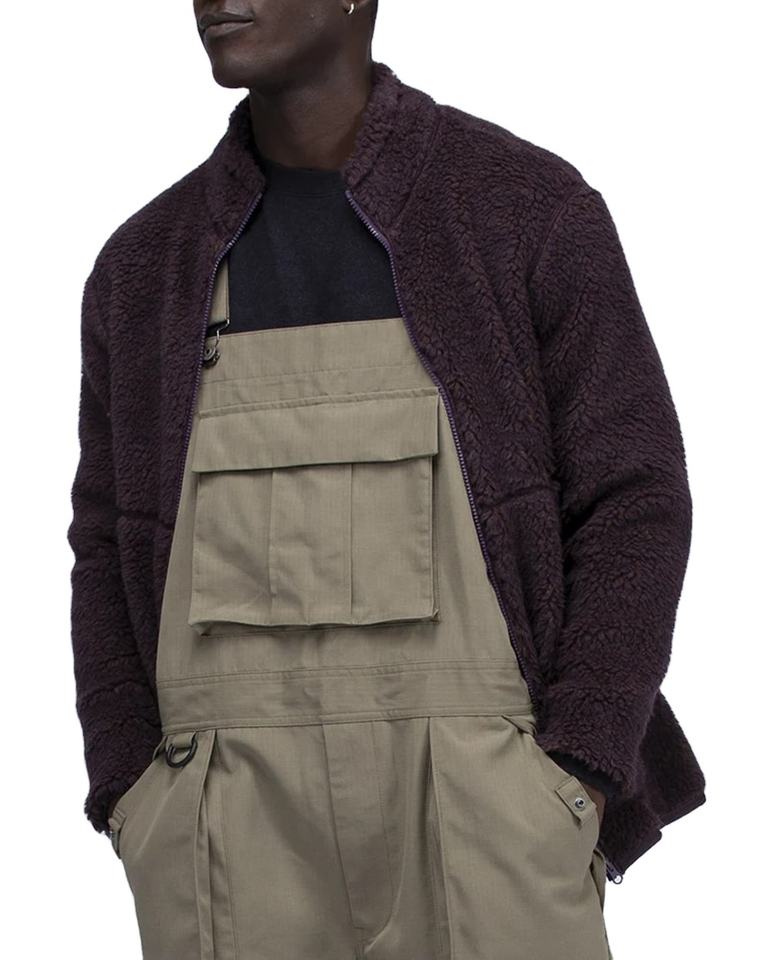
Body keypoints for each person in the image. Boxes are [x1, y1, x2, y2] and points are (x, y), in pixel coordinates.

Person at [67, 2, 706, 957]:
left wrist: (577, 768)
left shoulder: (524, 210)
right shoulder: (142, 269)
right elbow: (104, 542)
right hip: (224, 825)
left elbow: (635, 495)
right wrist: (130, 789)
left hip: (487, 806)